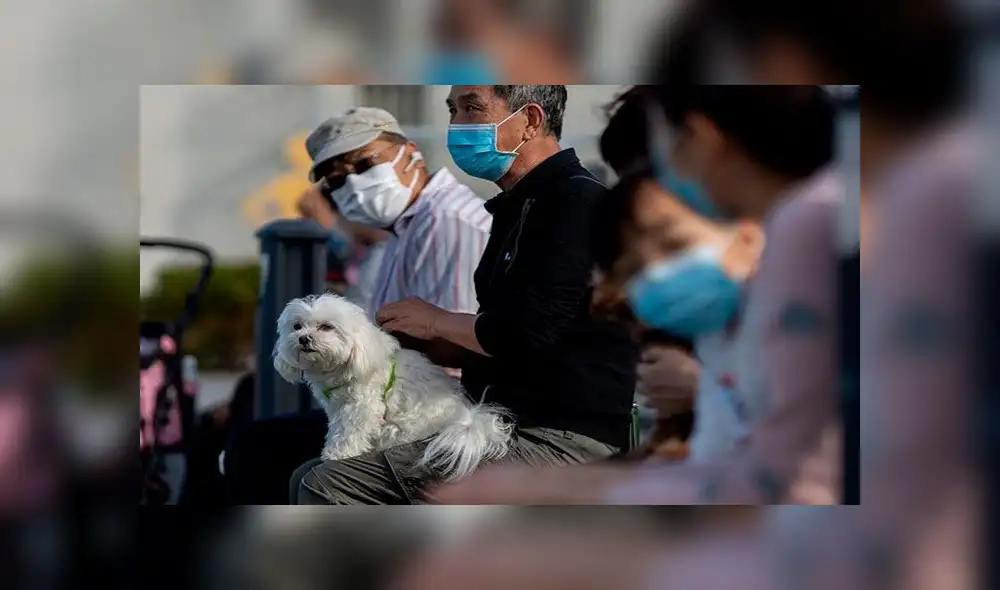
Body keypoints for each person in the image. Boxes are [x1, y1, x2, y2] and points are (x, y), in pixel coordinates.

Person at [432, 83, 841, 505]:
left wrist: (702, 391)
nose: (617, 293)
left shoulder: (810, 278)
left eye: (667, 236)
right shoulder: (726, 315)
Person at [293, 85, 638, 504]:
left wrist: (436, 320)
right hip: (505, 421)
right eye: (452, 110)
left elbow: (524, 335)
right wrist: (435, 346)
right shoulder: (518, 207)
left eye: (471, 108)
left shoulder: (573, 202)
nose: (456, 124)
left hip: (559, 439)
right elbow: (528, 346)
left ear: (530, 121)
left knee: (327, 483)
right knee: (308, 472)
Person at [225, 107, 491, 505]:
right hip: (378, 400)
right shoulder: (407, 226)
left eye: (365, 164)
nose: (353, 185)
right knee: (253, 441)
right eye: (336, 182)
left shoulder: (448, 224)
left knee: (261, 452)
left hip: (425, 412)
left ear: (410, 153)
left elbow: (456, 361)